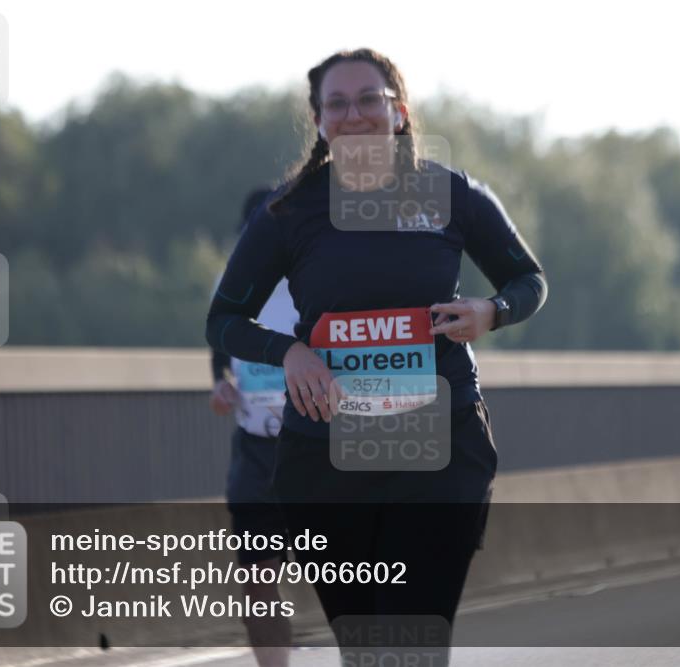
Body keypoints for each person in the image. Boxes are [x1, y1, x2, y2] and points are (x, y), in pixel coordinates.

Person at [206, 48, 547, 663]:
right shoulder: (287, 213)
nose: (353, 114)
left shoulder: (454, 195)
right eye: (336, 103)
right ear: (318, 121)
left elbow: (529, 280)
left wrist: (490, 311)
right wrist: (289, 353)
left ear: (399, 112)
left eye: (369, 99)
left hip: (440, 445)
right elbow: (223, 320)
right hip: (327, 459)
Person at [209, 187, 297, 667]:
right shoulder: (230, 287)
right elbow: (220, 360)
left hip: (315, 447)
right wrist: (221, 386)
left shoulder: (318, 282)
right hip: (255, 451)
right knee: (258, 578)